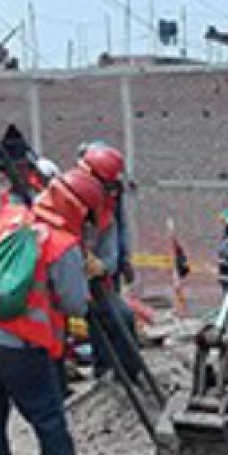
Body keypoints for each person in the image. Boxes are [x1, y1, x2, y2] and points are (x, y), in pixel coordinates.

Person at [0, 168, 105, 455]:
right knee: (44, 407)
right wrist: (85, 275)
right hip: (19, 339)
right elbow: (74, 304)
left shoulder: (9, 216)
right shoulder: (61, 243)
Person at [77, 143, 140, 381]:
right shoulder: (78, 195)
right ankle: (107, 369)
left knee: (116, 317)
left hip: (102, 266)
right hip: (84, 268)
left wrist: (122, 260)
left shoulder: (110, 195)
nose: (112, 189)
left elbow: (117, 226)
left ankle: (127, 372)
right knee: (107, 318)